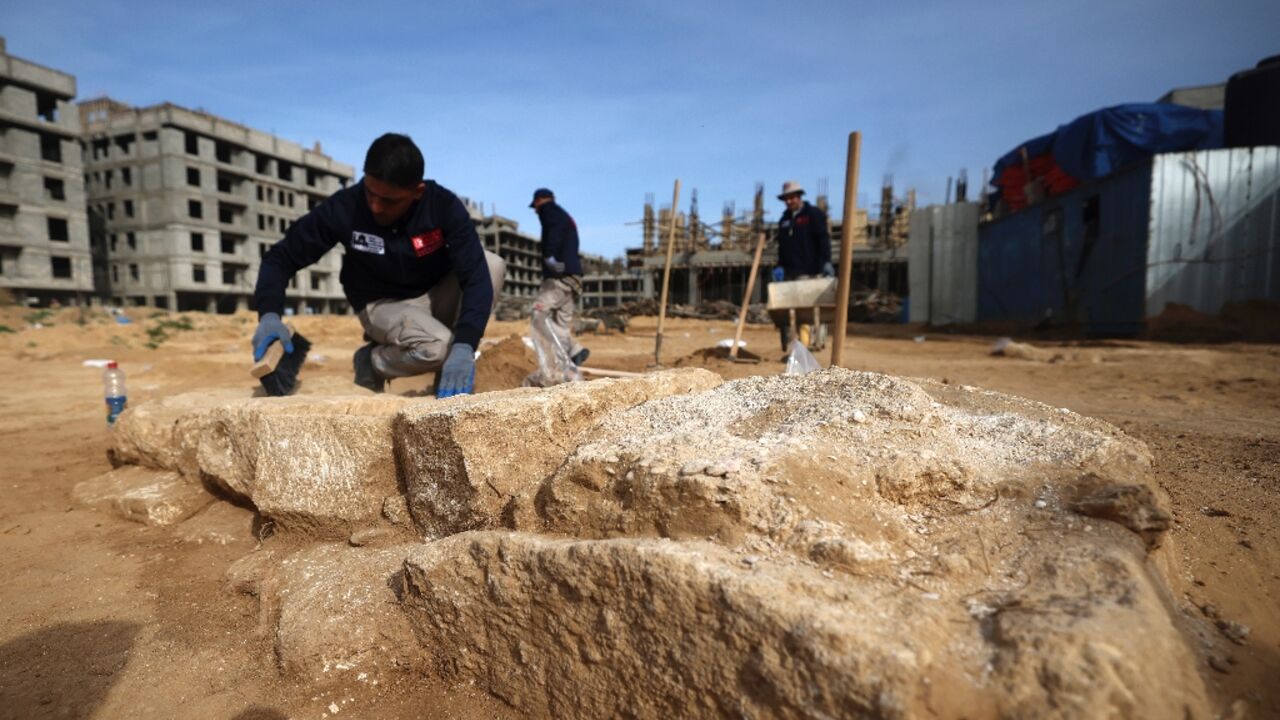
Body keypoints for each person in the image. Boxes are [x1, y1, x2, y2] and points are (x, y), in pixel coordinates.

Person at [252, 133, 505, 397]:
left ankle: (451, 367)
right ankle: (372, 362)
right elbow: (280, 258)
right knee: (437, 347)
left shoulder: (443, 207)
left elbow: (475, 276)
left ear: (417, 192)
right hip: (382, 304)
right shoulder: (345, 208)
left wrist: (465, 345)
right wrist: (269, 315)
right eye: (370, 192)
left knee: (492, 265)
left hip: (433, 295)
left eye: (389, 200)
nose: (375, 206)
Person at [770, 180, 833, 350]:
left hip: (810, 270)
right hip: (790, 271)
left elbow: (823, 240)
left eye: (791, 198)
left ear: (799, 196)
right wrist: (780, 265)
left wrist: (826, 261)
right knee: (792, 312)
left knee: (807, 310)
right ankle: (796, 346)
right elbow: (783, 247)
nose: (789, 201)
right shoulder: (784, 220)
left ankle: (808, 344)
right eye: (786, 199)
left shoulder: (813, 215)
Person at [530, 188, 589, 366]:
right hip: (573, 278)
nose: (535, 210)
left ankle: (574, 349)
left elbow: (553, 231)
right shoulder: (564, 215)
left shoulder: (549, 211)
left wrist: (549, 255)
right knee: (560, 324)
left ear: (540, 200)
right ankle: (565, 364)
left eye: (536, 206)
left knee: (538, 316)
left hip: (559, 278)